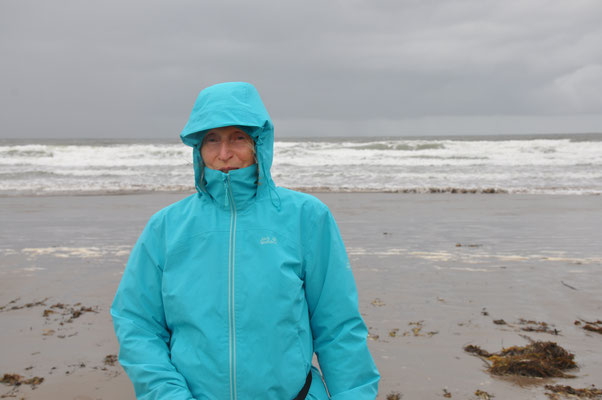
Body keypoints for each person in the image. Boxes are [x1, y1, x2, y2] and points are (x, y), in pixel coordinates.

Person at [111, 82, 380, 399]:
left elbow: (338, 328)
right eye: (212, 139)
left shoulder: (307, 217)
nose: (224, 153)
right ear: (199, 148)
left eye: (237, 137)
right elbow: (138, 324)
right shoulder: (166, 227)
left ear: (259, 142)